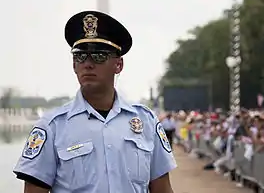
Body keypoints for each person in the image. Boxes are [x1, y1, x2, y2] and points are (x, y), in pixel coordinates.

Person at [13, 10, 177, 193]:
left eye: (98, 56)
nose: (88, 64)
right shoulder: (52, 127)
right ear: (74, 65)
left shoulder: (146, 121)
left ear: (118, 65)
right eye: (80, 56)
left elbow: (162, 188)